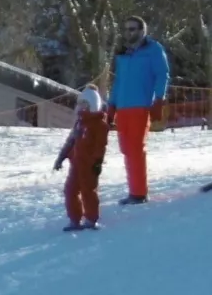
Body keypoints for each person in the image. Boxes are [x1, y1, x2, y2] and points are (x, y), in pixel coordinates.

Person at [107, 16, 171, 205]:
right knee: (126, 149)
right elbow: (118, 82)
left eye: (134, 29)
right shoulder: (123, 53)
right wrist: (111, 106)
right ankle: (133, 189)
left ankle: (139, 193)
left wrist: (159, 99)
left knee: (135, 149)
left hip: (140, 106)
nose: (130, 32)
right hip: (123, 108)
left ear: (143, 30)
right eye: (126, 29)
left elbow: (162, 74)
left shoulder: (153, 49)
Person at [55, 85, 108, 231]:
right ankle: (74, 219)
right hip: (76, 164)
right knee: (70, 190)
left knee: (88, 191)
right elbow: (70, 141)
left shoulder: (100, 125)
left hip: (89, 166)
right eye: (80, 104)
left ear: (92, 105)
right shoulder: (79, 123)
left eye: (85, 104)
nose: (81, 107)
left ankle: (91, 219)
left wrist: (97, 162)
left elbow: (100, 146)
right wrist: (61, 158)